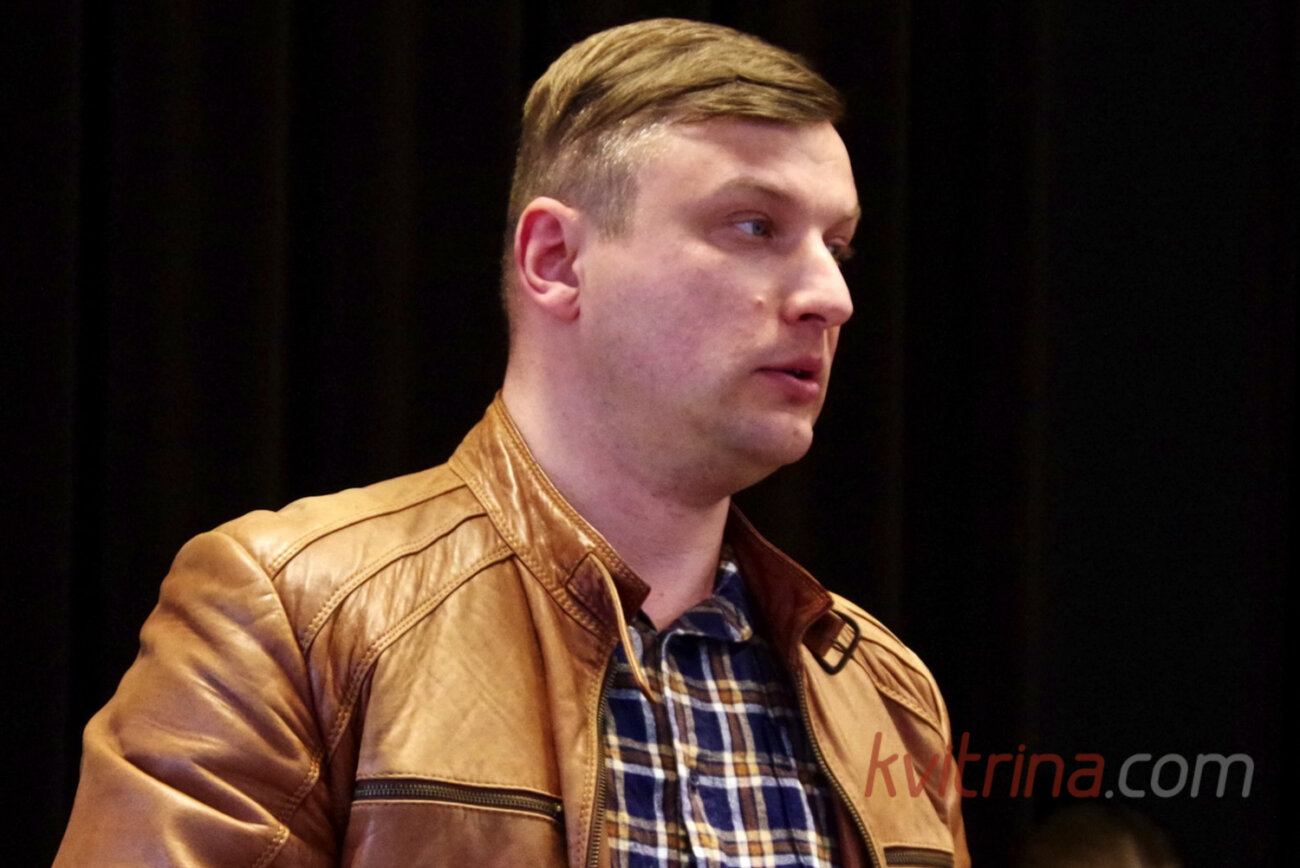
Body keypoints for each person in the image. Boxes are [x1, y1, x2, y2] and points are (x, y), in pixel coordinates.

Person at [56, 18, 968, 868]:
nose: (831, 297)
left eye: (837, 247)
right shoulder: (297, 615)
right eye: (755, 226)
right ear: (555, 261)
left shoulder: (885, 693)